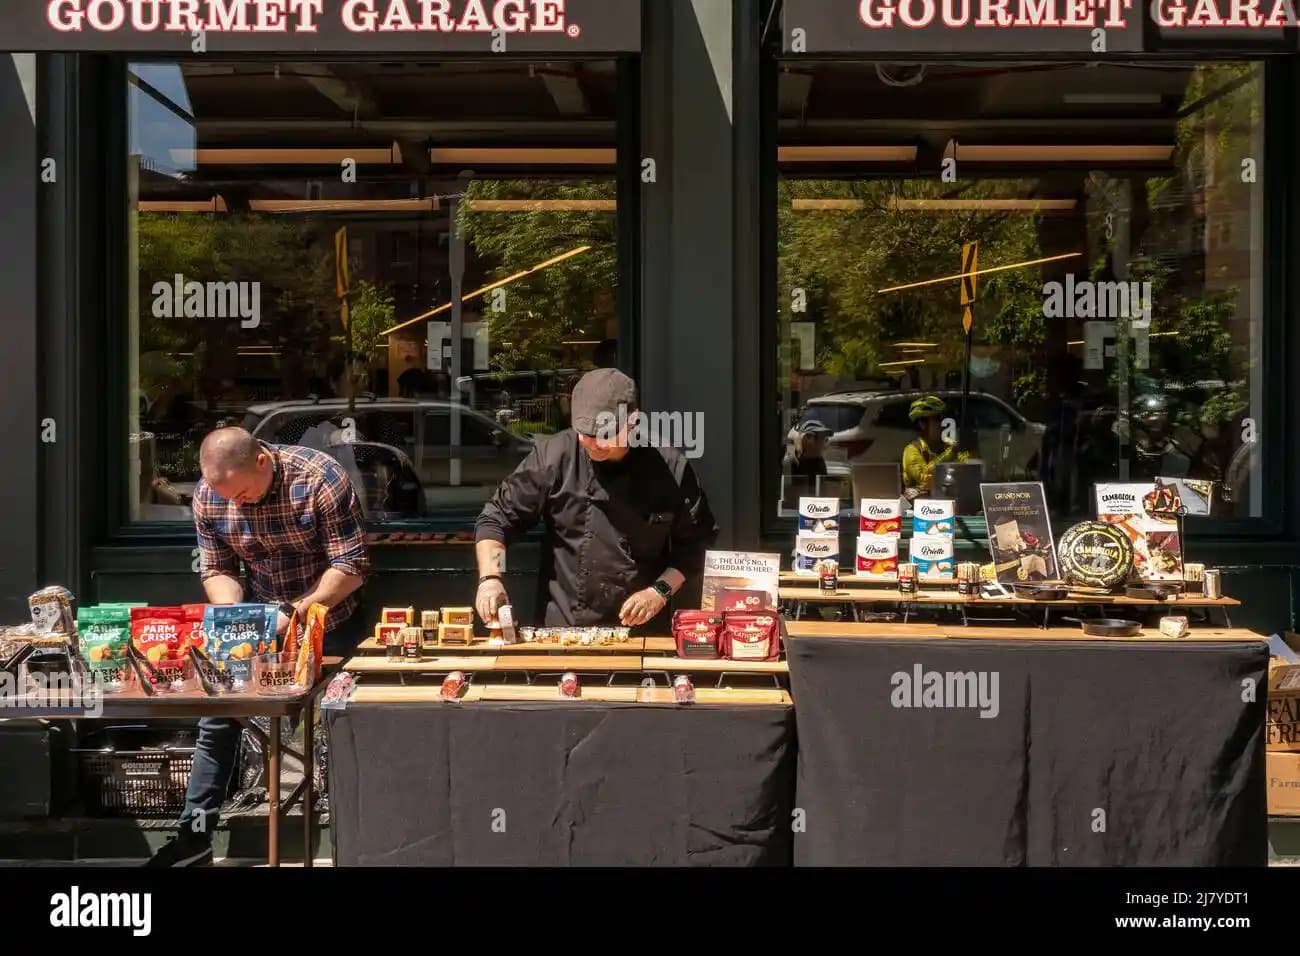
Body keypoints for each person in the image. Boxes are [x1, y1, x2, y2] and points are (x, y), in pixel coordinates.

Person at [147, 427, 371, 867]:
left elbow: (353, 564)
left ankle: (353, 840)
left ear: (263, 461)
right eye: (225, 496)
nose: (236, 504)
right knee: (218, 722)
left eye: (244, 493)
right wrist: (233, 615)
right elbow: (216, 567)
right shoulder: (211, 496)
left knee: (340, 723)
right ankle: (194, 840)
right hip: (256, 621)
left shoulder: (320, 477)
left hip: (331, 616)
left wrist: (298, 610)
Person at [474, 368, 719, 633]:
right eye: (585, 433)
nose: (592, 443)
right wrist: (490, 577)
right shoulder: (554, 457)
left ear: (633, 423)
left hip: (641, 634)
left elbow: (695, 546)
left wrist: (659, 591)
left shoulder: (670, 469)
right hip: (563, 631)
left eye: (603, 435)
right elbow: (496, 520)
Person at [901, 395, 969, 501]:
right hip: (919, 507)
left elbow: (967, 469)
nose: (942, 424)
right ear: (922, 424)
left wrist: (962, 455)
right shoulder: (912, 450)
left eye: (943, 419)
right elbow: (924, 479)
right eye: (937, 419)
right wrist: (949, 454)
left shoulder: (946, 446)